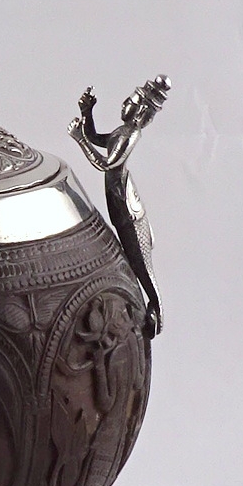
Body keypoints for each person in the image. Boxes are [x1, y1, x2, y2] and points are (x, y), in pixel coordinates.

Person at [67, 75, 171, 337]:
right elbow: (95, 137)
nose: (126, 104)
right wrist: (87, 112)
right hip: (117, 197)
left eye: (132, 103)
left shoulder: (130, 134)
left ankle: (156, 312)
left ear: (141, 112)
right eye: (129, 100)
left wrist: (79, 140)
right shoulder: (121, 131)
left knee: (141, 266)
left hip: (125, 205)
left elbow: (106, 164)